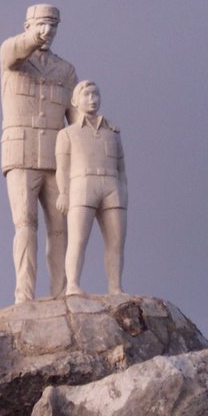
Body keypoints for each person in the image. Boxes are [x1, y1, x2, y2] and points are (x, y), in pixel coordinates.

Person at [0, 4, 78, 303]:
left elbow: (77, 119)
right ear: (27, 25)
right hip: (20, 153)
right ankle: (25, 295)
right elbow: (13, 50)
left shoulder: (65, 70)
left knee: (61, 229)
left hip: (56, 159)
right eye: (42, 25)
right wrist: (34, 37)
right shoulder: (12, 58)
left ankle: (61, 292)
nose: (48, 31)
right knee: (25, 224)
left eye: (53, 26)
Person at [56, 80, 127, 296]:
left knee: (116, 243)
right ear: (75, 101)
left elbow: (122, 168)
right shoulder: (67, 134)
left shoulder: (112, 132)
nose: (92, 99)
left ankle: (115, 286)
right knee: (78, 239)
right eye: (86, 95)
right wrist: (64, 192)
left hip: (111, 186)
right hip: (82, 185)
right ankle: (73, 284)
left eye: (96, 94)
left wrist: (123, 192)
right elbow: (62, 168)